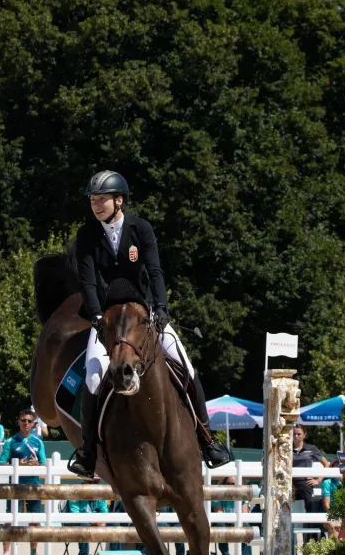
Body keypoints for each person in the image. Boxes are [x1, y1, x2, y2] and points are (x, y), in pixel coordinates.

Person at [68, 170, 230, 478]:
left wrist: (162, 308)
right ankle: (88, 451)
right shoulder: (87, 235)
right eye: (93, 200)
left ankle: (208, 440)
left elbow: (154, 272)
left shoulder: (140, 229)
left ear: (120, 200)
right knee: (92, 376)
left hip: (145, 315)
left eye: (102, 200)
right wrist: (97, 317)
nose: (97, 205)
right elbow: (88, 282)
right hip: (108, 320)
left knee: (185, 365)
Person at [0, 409, 46, 555]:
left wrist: (36, 464)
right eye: (23, 420)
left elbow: (44, 464)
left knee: (35, 521)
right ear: (18, 421)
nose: (26, 423)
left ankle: (33, 554)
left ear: (33, 424)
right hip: (14, 487)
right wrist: (19, 465)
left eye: (29, 421)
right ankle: (6, 554)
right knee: (9, 520)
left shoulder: (38, 442)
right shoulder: (10, 442)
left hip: (34, 486)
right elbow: (2, 464)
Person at [292, 423, 329, 544]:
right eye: (294, 434)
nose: (296, 436)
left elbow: (327, 464)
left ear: (304, 435)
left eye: (299, 434)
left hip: (306, 483)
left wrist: (318, 480)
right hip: (290, 484)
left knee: (311, 512)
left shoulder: (311, 448)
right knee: (283, 508)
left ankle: (310, 544)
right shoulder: (286, 448)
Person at [63, 478, 108, 555]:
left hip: (95, 521)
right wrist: (92, 521)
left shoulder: (100, 491)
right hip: (77, 522)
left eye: (96, 481)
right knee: (84, 524)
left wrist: (103, 521)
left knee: (114, 524)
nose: (94, 483)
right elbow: (75, 513)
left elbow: (104, 510)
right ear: (84, 479)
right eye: (91, 481)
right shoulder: (76, 491)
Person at [321, 458, 342, 539]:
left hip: (344, 514)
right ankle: (334, 550)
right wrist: (336, 516)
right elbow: (326, 505)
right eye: (336, 463)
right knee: (334, 525)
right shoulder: (327, 483)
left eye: (341, 464)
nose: (339, 465)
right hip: (330, 514)